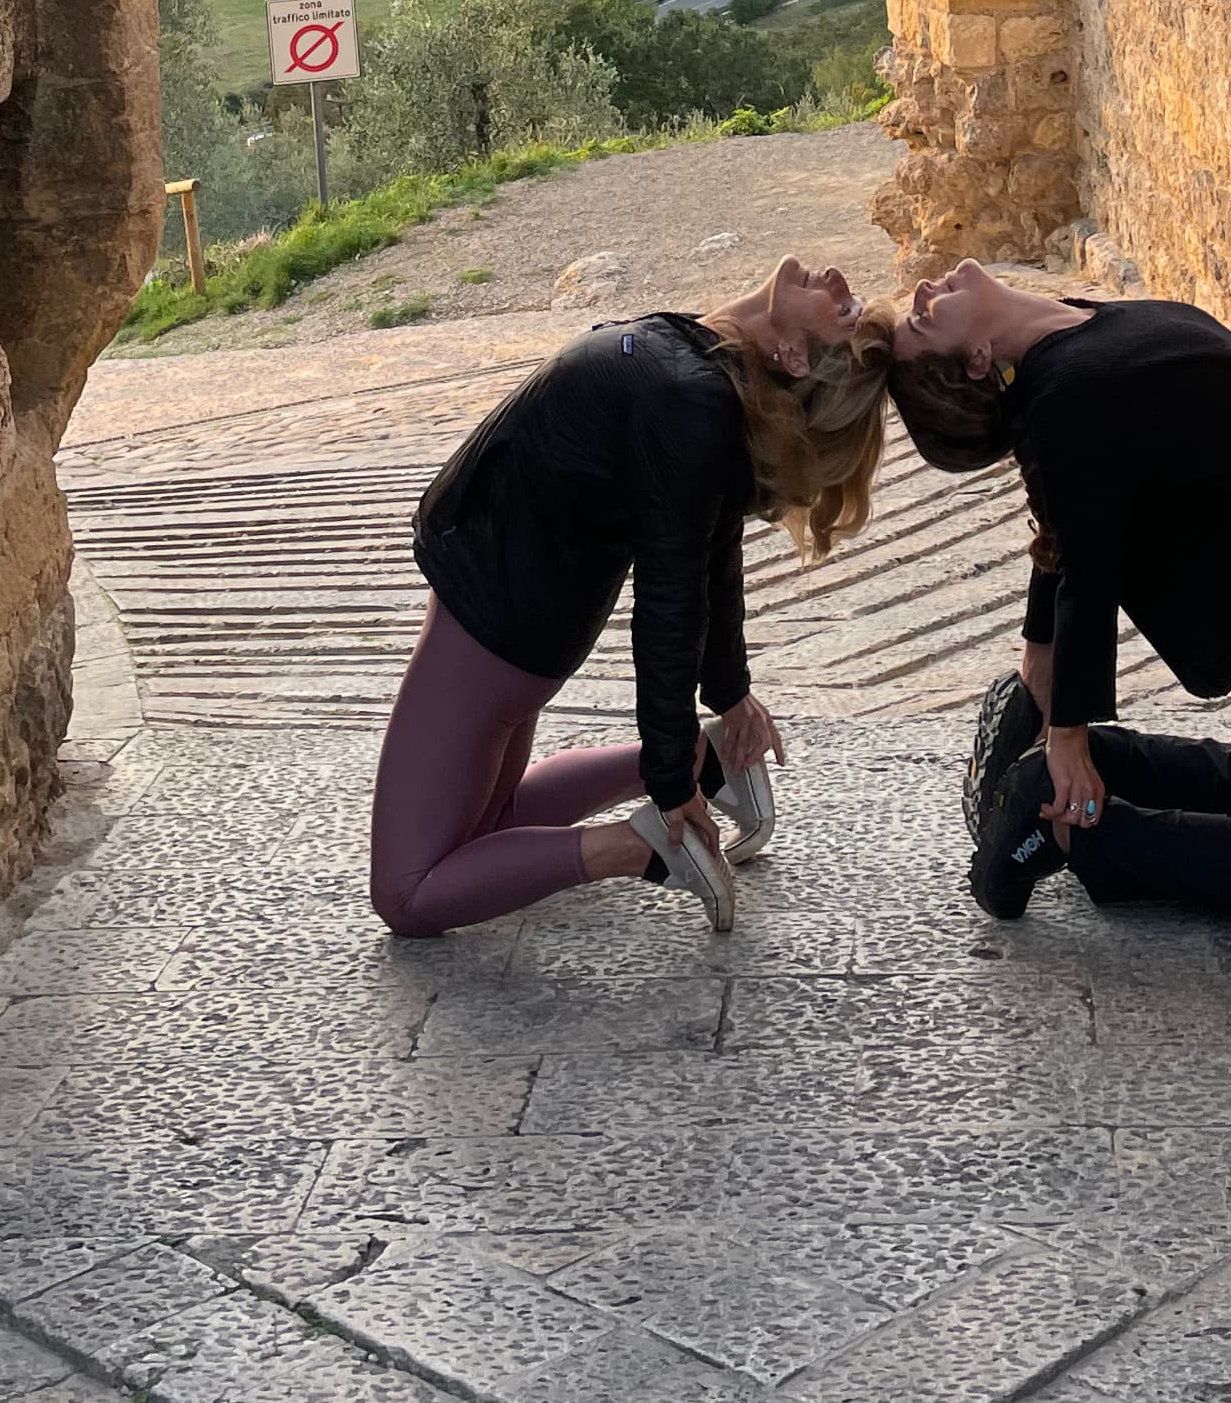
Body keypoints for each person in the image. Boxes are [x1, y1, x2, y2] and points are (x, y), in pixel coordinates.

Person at [879, 262, 1231, 932]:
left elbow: (1062, 516)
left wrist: (1039, 664)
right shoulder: (1065, 388)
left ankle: (1082, 773)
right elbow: (1087, 566)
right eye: (925, 319)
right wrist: (1064, 736)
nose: (926, 289)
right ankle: (1067, 824)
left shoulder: (1076, 328)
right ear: (979, 358)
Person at [369, 258, 889, 939]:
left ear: (793, 354)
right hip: (514, 611)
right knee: (487, 831)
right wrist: (726, 701)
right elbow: (714, 548)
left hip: (494, 626)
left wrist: (670, 788)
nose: (837, 282)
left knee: (408, 892)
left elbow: (672, 608)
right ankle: (711, 763)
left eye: (843, 311)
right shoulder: (706, 368)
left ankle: (644, 847)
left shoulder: (692, 398)